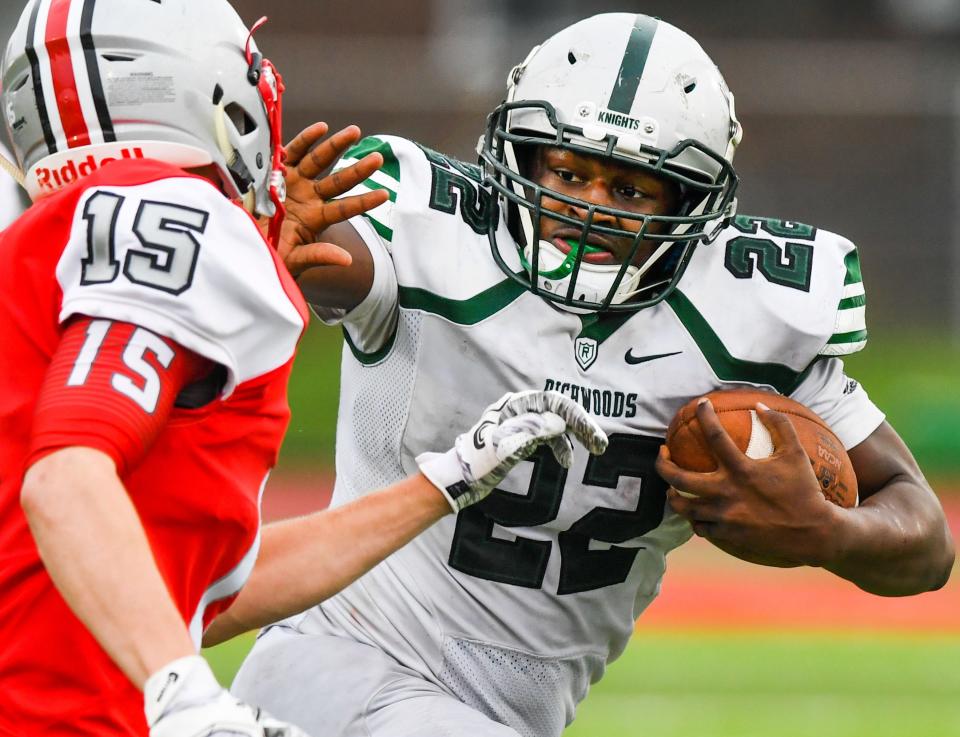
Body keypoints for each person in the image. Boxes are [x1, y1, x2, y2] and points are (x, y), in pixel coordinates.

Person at [232, 12, 956, 737]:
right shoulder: (433, 239)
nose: (587, 207)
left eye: (630, 190)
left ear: (692, 202)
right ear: (522, 157)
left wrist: (829, 530)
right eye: (569, 173)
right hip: (334, 671)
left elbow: (924, 537)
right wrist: (271, 236)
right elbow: (329, 256)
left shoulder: (744, 316)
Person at [0, 1, 608, 736]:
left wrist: (437, 485)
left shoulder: (48, 253)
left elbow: (198, 588)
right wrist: (185, 693)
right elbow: (65, 478)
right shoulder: (175, 214)